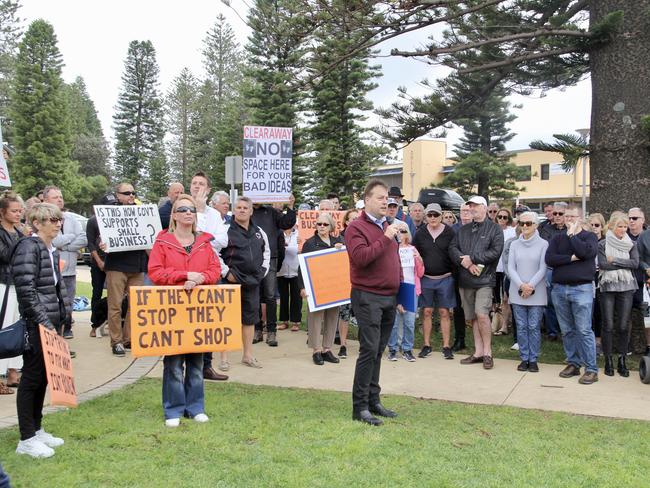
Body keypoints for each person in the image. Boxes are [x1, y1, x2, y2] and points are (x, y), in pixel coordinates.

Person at [148, 194, 221, 427]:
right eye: (183, 209)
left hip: (198, 309)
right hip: (172, 310)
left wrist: (199, 280)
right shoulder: (163, 242)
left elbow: (214, 270)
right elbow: (156, 272)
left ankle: (195, 407)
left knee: (197, 362)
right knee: (173, 363)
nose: (188, 213)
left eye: (191, 209)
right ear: (174, 215)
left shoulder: (204, 243)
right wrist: (184, 276)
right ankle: (173, 409)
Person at [12, 203, 70, 458]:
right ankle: (26, 438)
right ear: (37, 223)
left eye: (59, 219)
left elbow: (55, 290)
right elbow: (26, 290)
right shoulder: (29, 247)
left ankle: (36, 429)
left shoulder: (50, 250)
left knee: (45, 378)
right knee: (32, 379)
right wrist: (44, 322)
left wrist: (62, 319)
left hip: (50, 323)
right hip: (37, 324)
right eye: (52, 219)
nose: (58, 223)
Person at [347, 179, 404, 426]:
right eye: (380, 198)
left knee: (378, 350)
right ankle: (359, 407)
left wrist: (401, 290)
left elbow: (394, 262)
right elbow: (361, 258)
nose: (386, 202)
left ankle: (373, 400)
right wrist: (385, 237)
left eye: (388, 199)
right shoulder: (356, 228)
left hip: (389, 297)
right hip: (367, 296)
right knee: (368, 350)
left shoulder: (388, 226)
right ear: (367, 199)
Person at [546, 204, 599, 385]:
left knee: (584, 330)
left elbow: (585, 252)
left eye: (571, 216)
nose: (568, 219)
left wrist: (572, 236)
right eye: (566, 216)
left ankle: (591, 368)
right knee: (567, 330)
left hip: (581, 289)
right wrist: (570, 259)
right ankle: (573, 363)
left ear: (580, 218)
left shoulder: (589, 236)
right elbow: (550, 259)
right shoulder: (556, 238)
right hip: (560, 289)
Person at [449, 196, 504, 370]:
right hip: (466, 280)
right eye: (470, 206)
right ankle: (478, 352)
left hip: (485, 280)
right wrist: (463, 261)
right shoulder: (463, 230)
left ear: (484, 208)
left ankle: (488, 353)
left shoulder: (494, 229)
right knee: (473, 318)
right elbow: (452, 248)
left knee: (482, 314)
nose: (471, 208)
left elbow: (495, 251)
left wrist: (472, 259)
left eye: (475, 206)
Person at [220, 196, 269, 368]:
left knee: (249, 319)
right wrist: (226, 273)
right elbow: (214, 252)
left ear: (250, 211)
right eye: (238, 207)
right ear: (234, 210)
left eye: (245, 208)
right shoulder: (224, 230)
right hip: (231, 281)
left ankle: (247, 355)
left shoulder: (259, 231)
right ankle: (224, 358)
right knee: (226, 319)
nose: (241, 210)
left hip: (252, 281)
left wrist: (262, 272)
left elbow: (266, 252)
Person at [104, 183, 148, 356]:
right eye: (126, 193)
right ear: (118, 195)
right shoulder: (109, 214)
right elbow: (103, 238)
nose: (131, 195)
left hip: (137, 266)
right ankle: (116, 341)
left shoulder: (141, 211)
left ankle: (128, 338)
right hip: (117, 265)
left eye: (133, 192)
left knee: (136, 305)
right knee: (115, 305)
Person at [252, 195, 296, 347]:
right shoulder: (245, 211)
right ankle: (257, 330)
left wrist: (290, 207)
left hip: (270, 258)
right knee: (255, 295)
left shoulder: (271, 211)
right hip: (251, 258)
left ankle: (271, 332)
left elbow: (286, 223)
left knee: (270, 296)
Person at [299, 213, 344, 365]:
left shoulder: (338, 242)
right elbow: (302, 267)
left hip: (334, 286)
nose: (321, 227)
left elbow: (345, 261)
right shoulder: (310, 243)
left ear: (331, 226)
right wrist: (302, 287)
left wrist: (342, 248)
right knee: (315, 318)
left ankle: (327, 349)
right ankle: (316, 350)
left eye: (325, 224)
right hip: (316, 286)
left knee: (332, 317)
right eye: (319, 224)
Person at [413, 203, 456, 359]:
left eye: (435, 215)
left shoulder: (450, 232)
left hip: (445, 277)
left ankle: (446, 346)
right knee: (427, 311)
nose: (432, 218)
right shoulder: (420, 233)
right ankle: (426, 345)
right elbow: (414, 251)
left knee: (445, 312)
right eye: (429, 215)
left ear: (441, 216)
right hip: (426, 278)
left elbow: (455, 251)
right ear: (426, 216)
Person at [43, 186, 87, 339]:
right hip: (51, 272)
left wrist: (64, 244)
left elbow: (83, 239)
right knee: (53, 306)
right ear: (45, 200)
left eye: (61, 196)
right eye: (55, 197)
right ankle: (53, 334)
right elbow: (52, 240)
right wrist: (70, 237)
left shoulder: (71, 218)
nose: (60, 199)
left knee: (68, 303)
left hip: (70, 271)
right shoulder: (43, 219)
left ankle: (67, 329)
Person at [598, 212, 638, 377]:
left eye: (625, 227)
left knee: (623, 325)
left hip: (627, 287)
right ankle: (608, 360)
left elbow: (635, 263)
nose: (623, 229)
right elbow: (602, 264)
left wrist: (613, 260)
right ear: (612, 227)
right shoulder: (602, 244)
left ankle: (622, 360)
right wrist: (622, 265)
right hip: (607, 287)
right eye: (620, 226)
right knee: (608, 325)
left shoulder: (631, 244)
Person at [507, 212, 548, 372]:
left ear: (536, 225)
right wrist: (521, 286)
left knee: (533, 326)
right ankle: (524, 358)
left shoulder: (544, 244)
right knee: (522, 326)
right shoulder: (514, 244)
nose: (524, 226)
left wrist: (529, 286)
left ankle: (533, 359)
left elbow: (543, 268)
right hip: (517, 291)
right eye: (521, 223)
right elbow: (510, 267)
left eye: (528, 223)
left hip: (536, 291)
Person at [0, 191, 25, 394]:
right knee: (4, 326)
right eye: (14, 211)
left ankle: (13, 370)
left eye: (20, 211)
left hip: (18, 284)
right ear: (2, 212)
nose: (18, 214)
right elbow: (5, 255)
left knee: (17, 327)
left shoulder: (19, 232)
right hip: (2, 284)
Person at [387, 226, 424, 362]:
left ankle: (407, 349)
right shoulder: (391, 249)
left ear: (407, 233)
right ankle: (393, 349)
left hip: (411, 288)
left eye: (403, 231)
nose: (401, 234)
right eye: (398, 231)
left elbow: (420, 273)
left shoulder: (413, 249)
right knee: (394, 322)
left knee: (409, 322)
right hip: (396, 288)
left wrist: (419, 258)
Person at [85, 193, 118, 338]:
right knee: (97, 293)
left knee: (115, 295)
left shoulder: (117, 220)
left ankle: (112, 324)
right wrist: (99, 261)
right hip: (98, 262)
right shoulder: (93, 221)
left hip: (113, 263)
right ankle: (95, 324)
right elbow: (90, 243)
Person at [540, 202, 568, 341]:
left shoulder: (571, 229)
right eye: (554, 213)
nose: (556, 216)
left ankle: (565, 331)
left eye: (560, 214)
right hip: (549, 269)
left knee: (564, 302)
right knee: (550, 301)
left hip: (566, 269)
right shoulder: (546, 230)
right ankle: (552, 331)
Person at [337, 208, 360, 358]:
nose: (355, 221)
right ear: (346, 222)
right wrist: (336, 249)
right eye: (352, 219)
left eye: (358, 218)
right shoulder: (339, 238)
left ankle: (363, 345)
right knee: (344, 314)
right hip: (344, 282)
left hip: (361, 282)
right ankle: (343, 344)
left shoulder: (364, 236)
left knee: (362, 315)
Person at [494, 208, 517, 335]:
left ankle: (504, 325)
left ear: (509, 219)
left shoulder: (512, 232)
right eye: (500, 216)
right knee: (495, 299)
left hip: (507, 270)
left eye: (505, 217)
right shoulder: (492, 230)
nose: (502, 219)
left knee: (506, 298)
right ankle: (495, 324)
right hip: (494, 269)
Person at [277, 224, 302, 333]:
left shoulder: (299, 234)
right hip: (281, 269)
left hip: (296, 269)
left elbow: (302, 248)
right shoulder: (278, 234)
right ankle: (284, 321)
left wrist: (300, 244)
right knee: (283, 296)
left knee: (296, 297)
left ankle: (296, 321)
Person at [589, 212, 607, 355]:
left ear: (602, 226)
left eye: (597, 225)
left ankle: (599, 341)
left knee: (599, 311)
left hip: (601, 277)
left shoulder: (606, 241)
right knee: (589, 310)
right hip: (588, 276)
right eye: (592, 225)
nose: (594, 228)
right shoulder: (586, 240)